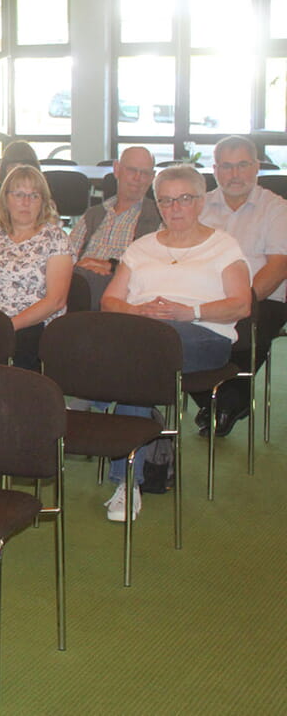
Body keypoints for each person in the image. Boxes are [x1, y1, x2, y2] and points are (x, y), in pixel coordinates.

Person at [100, 164, 252, 521]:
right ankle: (128, 482)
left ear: (200, 201)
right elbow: (110, 301)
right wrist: (140, 311)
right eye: (166, 201)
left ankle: (125, 476)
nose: (175, 208)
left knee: (138, 359)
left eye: (184, 199)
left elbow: (241, 304)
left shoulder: (223, 246)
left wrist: (190, 311)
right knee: (140, 363)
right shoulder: (142, 247)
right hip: (145, 337)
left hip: (205, 334)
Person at [196, 135, 287, 437]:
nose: (235, 175)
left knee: (241, 333)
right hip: (204, 296)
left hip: (261, 298)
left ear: (257, 167)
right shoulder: (200, 205)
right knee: (172, 334)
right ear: (215, 169)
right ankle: (227, 401)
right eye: (227, 166)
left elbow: (278, 266)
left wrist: (242, 301)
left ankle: (224, 400)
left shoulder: (276, 208)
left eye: (243, 165)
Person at [0, 163, 73, 370]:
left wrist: (7, 327)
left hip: (34, 323)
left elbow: (55, 301)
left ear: (43, 202)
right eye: (19, 194)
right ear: (5, 199)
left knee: (16, 365)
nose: (26, 202)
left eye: (34, 196)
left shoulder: (56, 238)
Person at [67, 146, 160, 309]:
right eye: (132, 170)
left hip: (124, 290)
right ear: (117, 170)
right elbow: (66, 256)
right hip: (80, 284)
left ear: (152, 178)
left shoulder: (158, 217)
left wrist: (113, 266)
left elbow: (158, 266)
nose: (138, 178)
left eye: (145, 173)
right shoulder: (93, 214)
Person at [0, 140, 41, 235]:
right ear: (4, 169)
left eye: (24, 166)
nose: (18, 172)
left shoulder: (45, 205)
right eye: (13, 166)